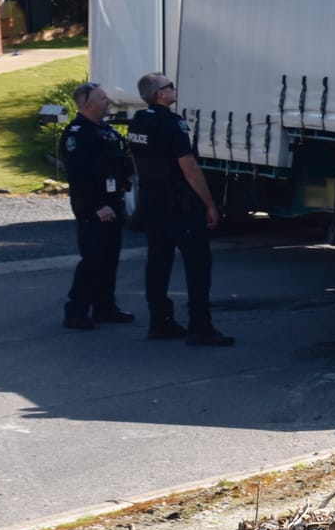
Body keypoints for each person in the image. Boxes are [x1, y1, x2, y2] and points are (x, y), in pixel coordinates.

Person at [128, 72, 234, 346]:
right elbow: (189, 168)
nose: (174, 89)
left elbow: (137, 161)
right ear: (160, 94)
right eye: (170, 86)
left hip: (152, 202)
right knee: (198, 264)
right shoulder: (173, 123)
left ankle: (160, 322)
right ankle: (200, 326)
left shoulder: (138, 121)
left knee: (158, 262)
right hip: (179, 204)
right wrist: (209, 203)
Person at [60, 82, 135, 330]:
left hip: (112, 201)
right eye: (103, 99)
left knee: (109, 258)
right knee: (93, 259)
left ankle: (105, 307)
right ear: (87, 104)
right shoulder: (78, 134)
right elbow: (79, 176)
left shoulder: (104, 129)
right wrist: (97, 206)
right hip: (94, 206)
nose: (108, 102)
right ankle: (76, 311)